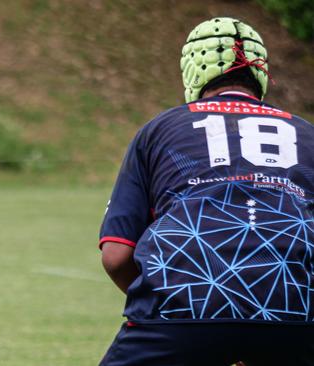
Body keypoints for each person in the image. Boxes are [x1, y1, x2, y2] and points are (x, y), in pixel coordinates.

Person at [98, 17, 314, 365]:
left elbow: (116, 256)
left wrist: (172, 303)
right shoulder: (307, 134)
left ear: (193, 71)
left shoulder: (159, 130)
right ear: (260, 74)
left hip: (180, 308)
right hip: (293, 316)